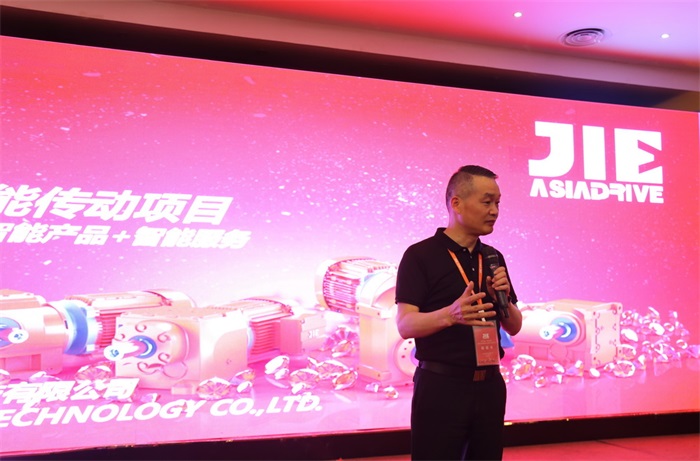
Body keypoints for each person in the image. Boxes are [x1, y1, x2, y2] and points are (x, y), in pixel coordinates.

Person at [395, 165, 523, 460]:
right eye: (486, 202)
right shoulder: (420, 255)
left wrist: (503, 301)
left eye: (498, 203)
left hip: (490, 385)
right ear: (456, 203)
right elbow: (405, 324)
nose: (494, 211)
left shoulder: (492, 257)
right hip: (441, 386)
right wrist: (450, 315)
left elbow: (514, 326)